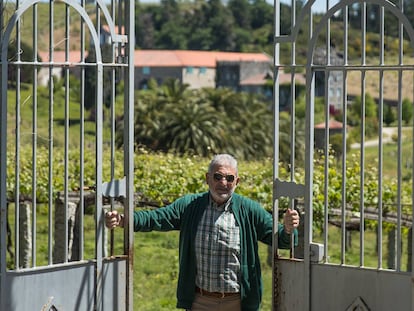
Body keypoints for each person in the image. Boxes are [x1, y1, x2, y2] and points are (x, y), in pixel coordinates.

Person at [105, 154, 299, 311]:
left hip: (237, 303)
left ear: (237, 181)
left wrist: (289, 229)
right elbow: (156, 218)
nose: (223, 182)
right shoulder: (191, 205)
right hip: (200, 301)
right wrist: (124, 220)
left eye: (229, 178)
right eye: (218, 176)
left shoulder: (249, 209)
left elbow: (280, 239)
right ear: (207, 178)